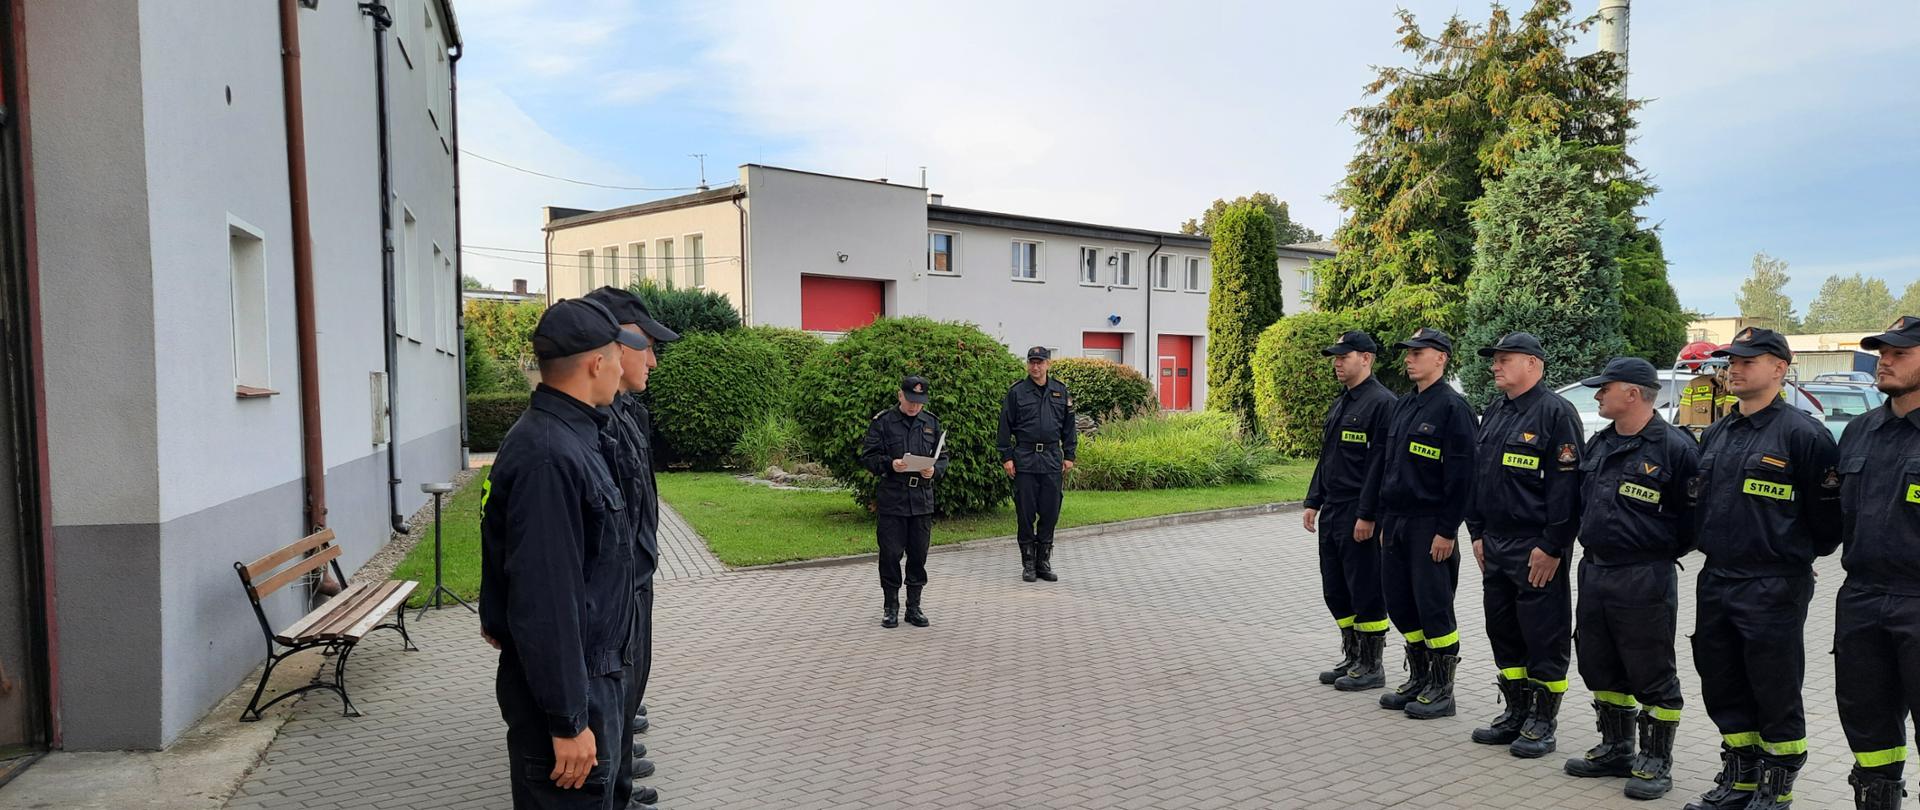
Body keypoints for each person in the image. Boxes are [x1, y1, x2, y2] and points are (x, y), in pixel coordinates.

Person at [479, 298, 647, 809]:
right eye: (618, 356)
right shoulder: (550, 454)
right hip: (575, 690)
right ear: (597, 363)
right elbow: (547, 599)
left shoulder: (575, 436)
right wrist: (569, 719)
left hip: (596, 674)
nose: (624, 367)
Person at [1685, 326, 1841, 810]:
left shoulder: (1803, 435)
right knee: (1722, 680)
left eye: (1748, 360)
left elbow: (1827, 522)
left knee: (1773, 686)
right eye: (1732, 359)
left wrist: (1788, 555)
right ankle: (1741, 777)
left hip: (1773, 583)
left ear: (1780, 367)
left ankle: (1777, 786)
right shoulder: (1719, 430)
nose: (1735, 367)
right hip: (1718, 577)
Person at [1562, 357, 1699, 800]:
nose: (1599, 395)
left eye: (1606, 388)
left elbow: (1693, 521)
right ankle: (1616, 746)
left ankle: (1656, 760)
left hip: (1644, 575)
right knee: (1599, 661)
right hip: (1596, 570)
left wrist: (1651, 551)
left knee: (1650, 669)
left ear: (1634, 394)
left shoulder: (1673, 448)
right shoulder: (1600, 444)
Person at [1462, 333, 1583, 758]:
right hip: (1494, 543)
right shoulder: (1496, 410)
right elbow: (1479, 476)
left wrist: (1553, 546)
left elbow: (1567, 489)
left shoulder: (1556, 414)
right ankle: (1515, 712)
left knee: (1543, 637)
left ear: (1533, 364)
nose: (1495, 366)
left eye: (1505, 359)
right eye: (1494, 359)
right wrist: (1476, 532)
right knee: (1504, 633)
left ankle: (1542, 721)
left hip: (1536, 546)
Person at [584, 286, 679, 810]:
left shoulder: (623, 413)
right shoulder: (590, 427)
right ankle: (613, 785)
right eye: (647, 346)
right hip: (616, 586)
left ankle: (618, 774)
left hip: (635, 575)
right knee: (613, 686)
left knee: (628, 681)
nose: (654, 361)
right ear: (615, 347)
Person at [1356, 327, 1477, 720]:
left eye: (1418, 352)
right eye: (1408, 352)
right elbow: (1386, 465)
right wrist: (1376, 516)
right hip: (1397, 521)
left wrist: (1447, 530)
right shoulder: (1405, 405)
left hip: (1430, 525)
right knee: (1402, 603)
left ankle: (1442, 689)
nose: (1409, 358)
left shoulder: (1453, 408)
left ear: (1440, 358)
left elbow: (1461, 478)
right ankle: (1420, 677)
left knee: (1433, 605)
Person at [1832, 316, 1920, 810]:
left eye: (1900, 353)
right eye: (1881, 352)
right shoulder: (1860, 431)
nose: (1884, 360)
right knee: (1867, 720)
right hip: (1862, 598)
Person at [1301, 330, 1396, 691]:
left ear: (1366, 359)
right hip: (1334, 509)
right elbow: (1329, 456)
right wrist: (1314, 500)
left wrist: (1369, 514)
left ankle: (1372, 665)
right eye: (1336, 358)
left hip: (1360, 510)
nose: (1338, 363)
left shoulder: (1382, 403)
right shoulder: (1343, 402)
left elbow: (1379, 465)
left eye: (1345, 356)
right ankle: (1353, 655)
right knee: (1335, 588)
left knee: (1365, 588)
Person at [861, 376, 951, 628]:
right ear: (900, 395)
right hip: (893, 497)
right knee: (890, 554)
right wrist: (891, 464)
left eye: (919, 402)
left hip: (921, 499)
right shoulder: (884, 422)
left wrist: (934, 471)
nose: (914, 406)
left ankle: (914, 607)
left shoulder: (931, 422)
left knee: (918, 555)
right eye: (910, 400)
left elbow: (942, 457)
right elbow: (869, 456)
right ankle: (891, 606)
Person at [997, 346, 1077, 582]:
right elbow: (1004, 427)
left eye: (1040, 362)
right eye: (1032, 362)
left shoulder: (1060, 391)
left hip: (1052, 458)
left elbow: (1069, 427)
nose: (1035, 367)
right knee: (1025, 512)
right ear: (1027, 364)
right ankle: (1028, 563)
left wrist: (1069, 455)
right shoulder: (1017, 392)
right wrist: (1007, 457)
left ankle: (1043, 560)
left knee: (1051, 511)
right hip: (1025, 458)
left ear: (1048, 364)